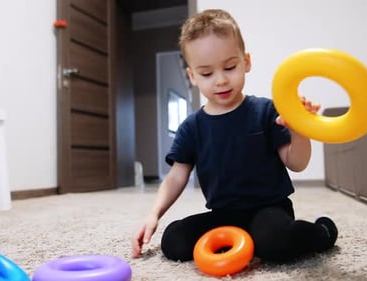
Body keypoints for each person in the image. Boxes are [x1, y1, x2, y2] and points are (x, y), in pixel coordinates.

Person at [131, 8, 337, 263]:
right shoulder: (191, 127)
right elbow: (176, 177)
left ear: (246, 61)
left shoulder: (267, 111)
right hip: (224, 214)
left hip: (269, 209)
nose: (220, 80)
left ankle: (322, 231)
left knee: (275, 242)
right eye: (207, 73)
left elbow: (297, 163)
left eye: (229, 67)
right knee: (174, 240)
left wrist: (298, 131)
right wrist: (154, 214)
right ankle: (247, 239)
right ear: (193, 76)